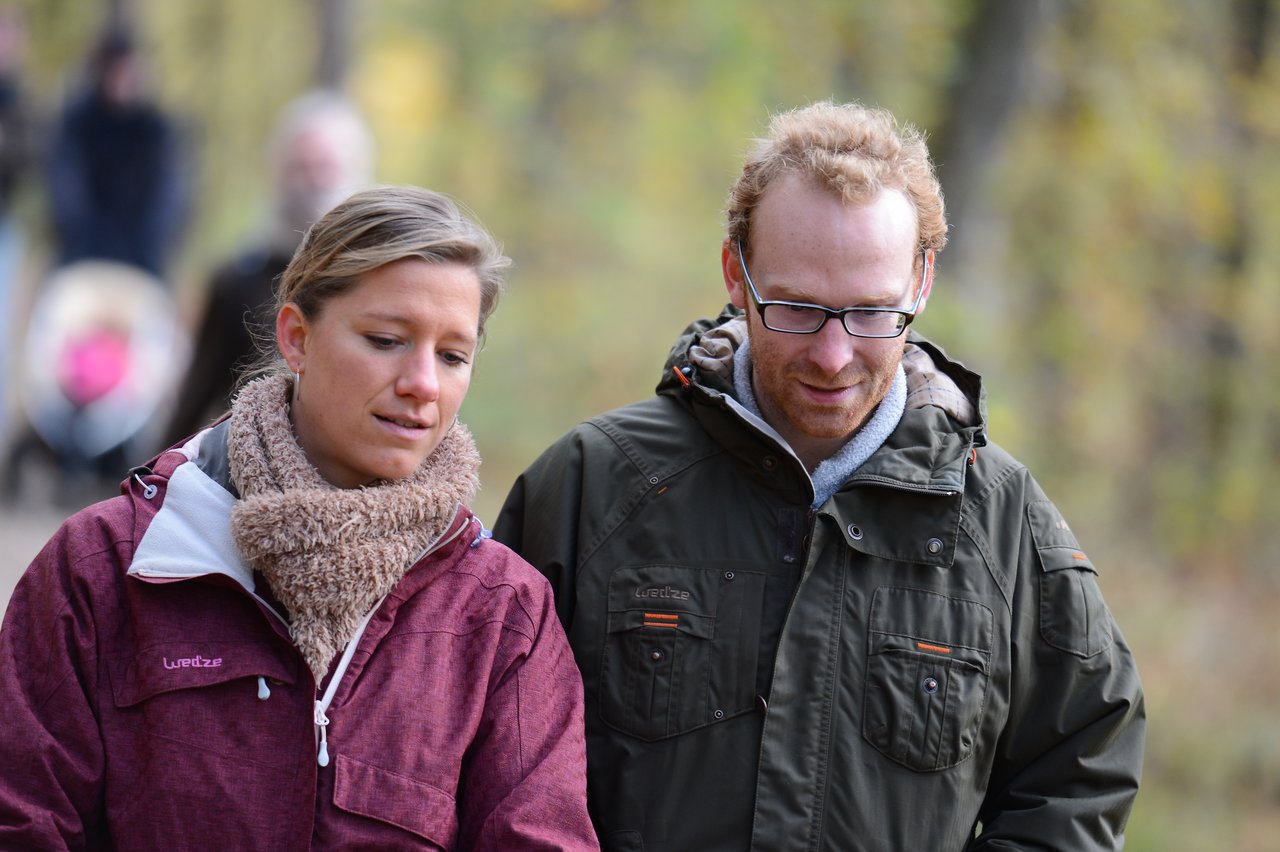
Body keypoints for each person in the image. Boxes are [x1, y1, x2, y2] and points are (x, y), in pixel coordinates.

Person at [494, 101, 1145, 850]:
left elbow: (1080, 773)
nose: (833, 357)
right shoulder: (592, 486)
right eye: (798, 309)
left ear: (921, 282)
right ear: (736, 272)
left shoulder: (1004, 523)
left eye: (871, 313)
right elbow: (495, 765)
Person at [0, 185, 600, 850]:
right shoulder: (105, 567)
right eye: (386, 339)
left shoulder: (502, 614)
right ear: (297, 338)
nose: (424, 383)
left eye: (453, 355)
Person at [163, 89, 374, 447]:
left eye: (325, 167)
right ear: (278, 174)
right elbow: (199, 391)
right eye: (300, 167)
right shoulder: (236, 280)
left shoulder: (380, 279)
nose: (313, 182)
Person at [46, 25, 185, 278]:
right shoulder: (78, 124)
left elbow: (168, 199)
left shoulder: (156, 131)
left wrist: (147, 246)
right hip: (82, 259)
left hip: (143, 262)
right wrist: (87, 241)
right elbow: (66, 193)